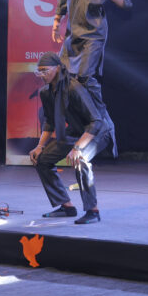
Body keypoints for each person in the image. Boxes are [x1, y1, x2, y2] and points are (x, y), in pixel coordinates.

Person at [29, 52, 117, 224]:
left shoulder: (73, 88)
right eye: (39, 71)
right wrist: (40, 146)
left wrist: (77, 148)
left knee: (80, 159)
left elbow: (95, 121)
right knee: (42, 159)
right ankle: (66, 206)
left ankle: (93, 211)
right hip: (77, 130)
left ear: (57, 68)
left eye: (45, 70)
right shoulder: (46, 92)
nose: (42, 75)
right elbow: (50, 121)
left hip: (98, 130)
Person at [52, 0, 133, 103]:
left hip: (94, 35)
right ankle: (76, 114)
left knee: (85, 78)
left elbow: (127, 3)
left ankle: (97, 115)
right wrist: (56, 22)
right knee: (62, 76)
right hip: (72, 34)